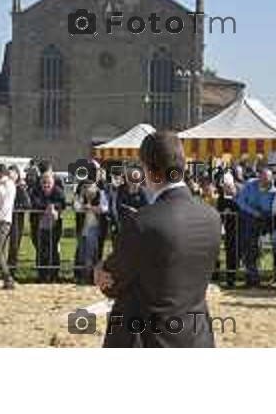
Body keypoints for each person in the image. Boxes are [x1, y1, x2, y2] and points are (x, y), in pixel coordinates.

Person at [95, 131, 221, 348]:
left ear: (147, 169)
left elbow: (112, 283)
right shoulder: (211, 217)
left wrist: (100, 270)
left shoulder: (142, 222)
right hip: (197, 337)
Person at [235, 168, 276, 286]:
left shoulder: (273, 190)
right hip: (248, 219)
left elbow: (270, 207)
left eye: (268, 180)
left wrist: (262, 212)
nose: (265, 182)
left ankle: (275, 277)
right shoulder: (249, 184)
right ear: (259, 177)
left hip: (265, 220)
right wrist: (254, 212)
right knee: (249, 248)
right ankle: (251, 278)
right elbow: (240, 201)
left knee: (259, 248)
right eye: (263, 179)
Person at [32, 171, 66, 283]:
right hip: (40, 226)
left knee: (54, 251)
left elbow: (62, 203)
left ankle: (54, 276)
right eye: (44, 182)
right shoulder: (37, 191)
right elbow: (34, 202)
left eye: (48, 182)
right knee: (40, 251)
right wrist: (47, 207)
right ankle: (41, 275)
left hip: (54, 226)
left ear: (53, 182)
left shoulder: (58, 191)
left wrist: (53, 207)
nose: (46, 185)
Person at [74, 182, 108, 284]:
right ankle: (82, 276)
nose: (88, 190)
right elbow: (76, 207)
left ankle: (90, 278)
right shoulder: (81, 195)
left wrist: (92, 208)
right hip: (83, 228)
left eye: (90, 187)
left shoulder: (101, 194)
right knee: (81, 254)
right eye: (86, 188)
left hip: (95, 229)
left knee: (92, 255)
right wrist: (84, 204)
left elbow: (104, 208)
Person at [7, 165, 31, 277]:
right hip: (4, 220)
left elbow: (27, 204)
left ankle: (11, 270)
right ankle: (1, 269)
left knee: (14, 245)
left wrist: (15, 208)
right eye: (9, 174)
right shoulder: (5, 188)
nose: (10, 176)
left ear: (17, 175)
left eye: (12, 174)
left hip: (16, 220)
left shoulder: (20, 189)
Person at [216, 172, 240, 287]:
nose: (226, 187)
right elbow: (219, 211)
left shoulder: (239, 194)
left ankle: (235, 276)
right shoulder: (221, 198)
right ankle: (230, 278)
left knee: (237, 254)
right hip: (229, 230)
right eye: (224, 185)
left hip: (241, 228)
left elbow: (242, 208)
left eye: (228, 185)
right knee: (230, 252)